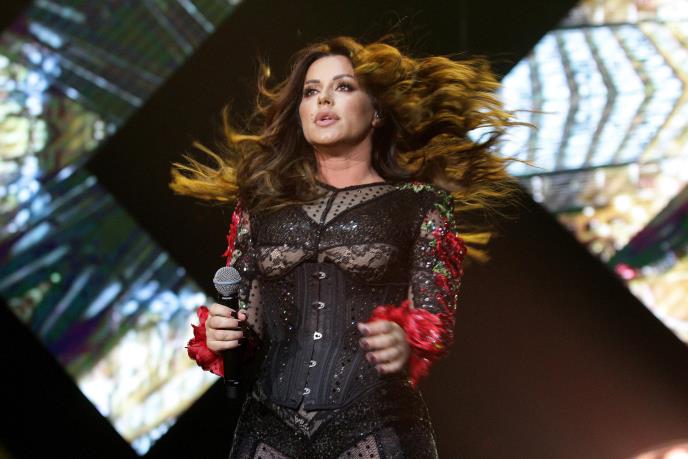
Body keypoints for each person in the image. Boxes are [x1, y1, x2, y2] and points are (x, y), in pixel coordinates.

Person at [172, 36, 519, 458]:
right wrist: (223, 335)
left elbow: (434, 320)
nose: (323, 100)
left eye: (343, 86)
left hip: (375, 425)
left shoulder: (420, 204)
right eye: (310, 92)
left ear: (376, 111)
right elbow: (247, 330)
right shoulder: (259, 209)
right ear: (299, 113)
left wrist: (406, 340)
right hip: (268, 433)